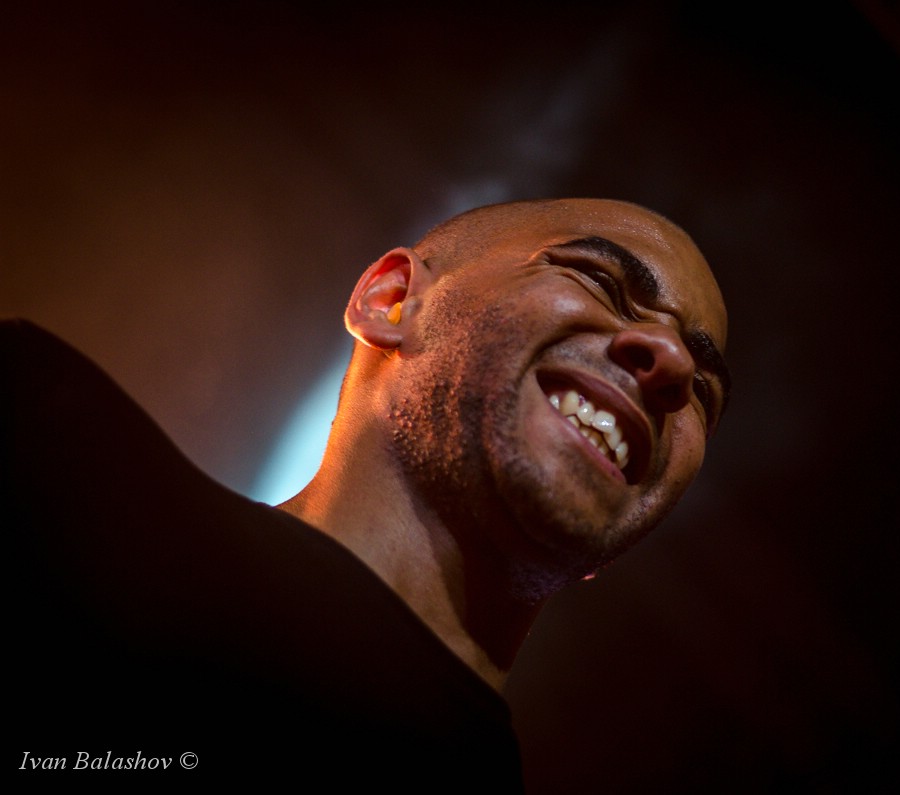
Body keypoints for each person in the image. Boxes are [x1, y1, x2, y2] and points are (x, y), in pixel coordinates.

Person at [5, 198, 729, 785]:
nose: (669, 363)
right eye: (600, 282)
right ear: (392, 300)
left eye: (702, 392)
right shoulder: (43, 442)